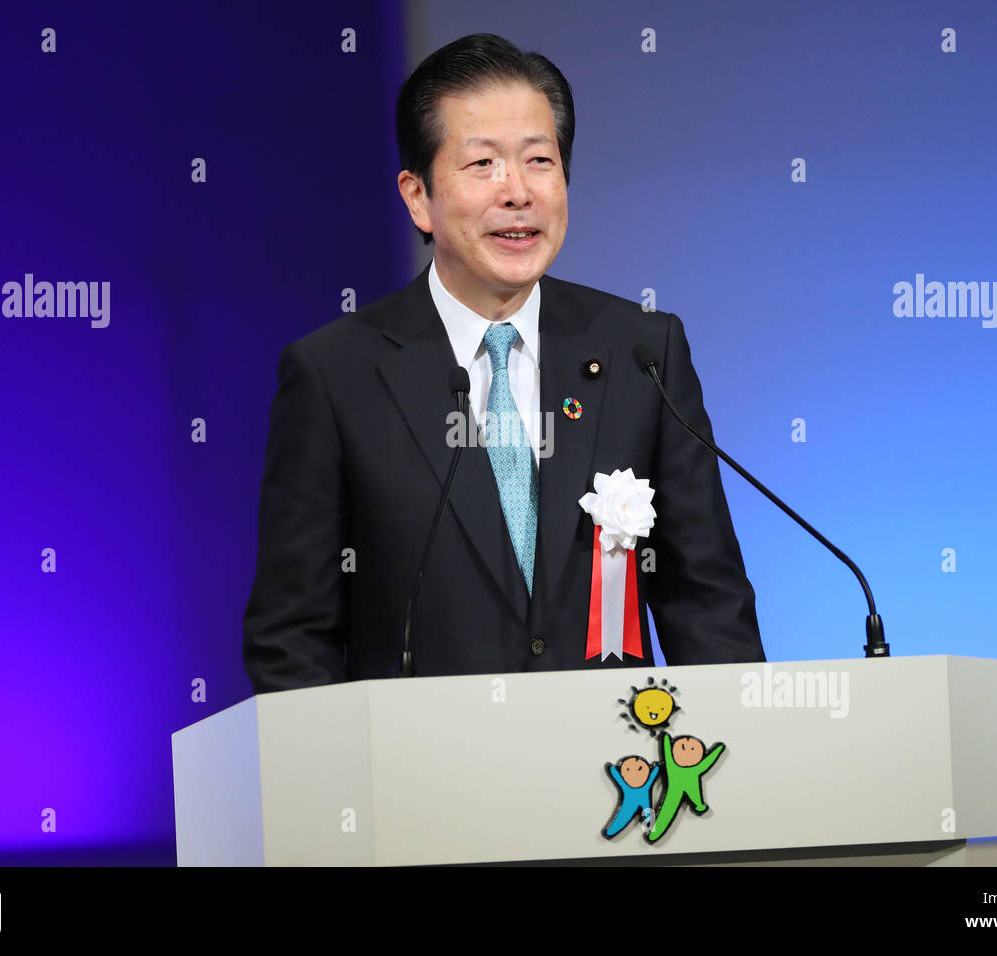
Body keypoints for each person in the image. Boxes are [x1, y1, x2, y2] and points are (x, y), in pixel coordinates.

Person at [242, 33, 763, 692]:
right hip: (420, 781)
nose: (516, 192)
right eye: (482, 163)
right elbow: (292, 638)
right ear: (418, 197)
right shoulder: (335, 375)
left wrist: (727, 770)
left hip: (615, 777)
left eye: (539, 160)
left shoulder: (642, 351)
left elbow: (706, 602)